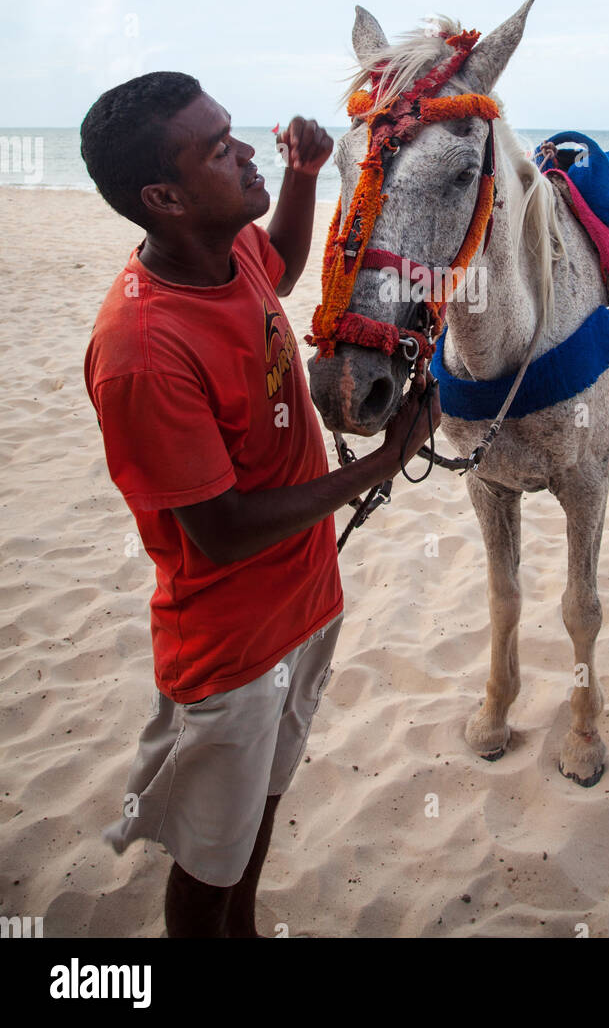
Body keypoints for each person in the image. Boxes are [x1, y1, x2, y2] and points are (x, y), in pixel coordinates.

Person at [80, 71, 439, 938]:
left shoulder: (223, 248)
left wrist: (307, 176)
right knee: (207, 870)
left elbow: (278, 261)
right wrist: (386, 459)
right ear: (164, 197)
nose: (245, 151)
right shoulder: (141, 347)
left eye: (235, 132)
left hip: (308, 604)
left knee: (253, 826)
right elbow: (225, 529)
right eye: (218, 148)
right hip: (234, 652)